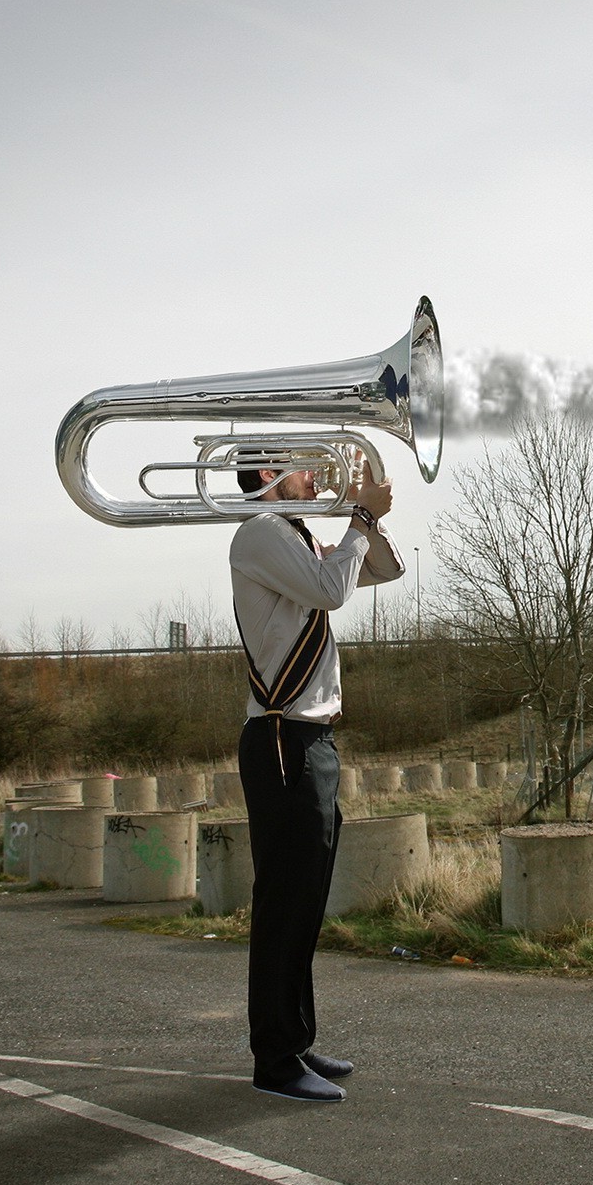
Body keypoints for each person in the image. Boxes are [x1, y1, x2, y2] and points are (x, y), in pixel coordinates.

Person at [229, 450, 401, 1102]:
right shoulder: (261, 532)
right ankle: (273, 1058)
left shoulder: (295, 537)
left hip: (310, 736)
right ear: (265, 475)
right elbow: (333, 590)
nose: (311, 470)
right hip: (282, 737)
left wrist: (368, 517)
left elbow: (384, 570)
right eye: (295, 464)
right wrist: (358, 516)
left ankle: (294, 1039)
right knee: (285, 902)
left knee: (306, 901)